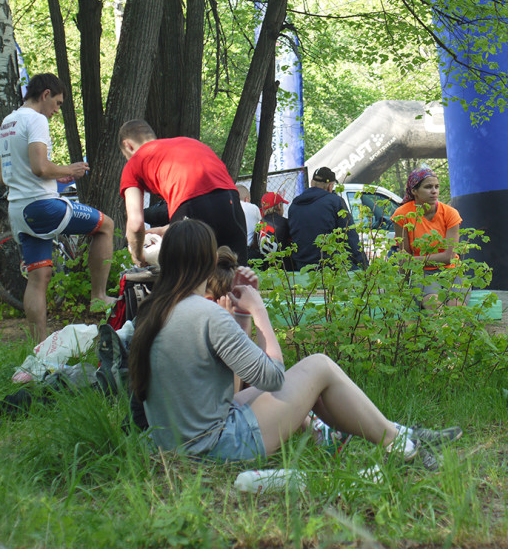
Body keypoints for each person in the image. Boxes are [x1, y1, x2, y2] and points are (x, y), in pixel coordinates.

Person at [127, 219, 461, 463]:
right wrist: (260, 313)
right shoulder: (206, 315)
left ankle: (396, 434)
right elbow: (273, 378)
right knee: (318, 367)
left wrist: (240, 317)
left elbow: (226, 391)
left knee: (306, 380)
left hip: (175, 445)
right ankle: (402, 444)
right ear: (206, 261)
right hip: (216, 448)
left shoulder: (151, 311)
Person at [0, 73, 116, 341]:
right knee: (106, 225)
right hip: (42, 207)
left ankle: (37, 347)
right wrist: (70, 169)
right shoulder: (36, 119)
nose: (57, 111)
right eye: (59, 104)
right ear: (46, 94)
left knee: (39, 278)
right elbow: (40, 167)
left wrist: (56, 175)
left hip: (18, 212)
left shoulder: (7, 123)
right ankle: (98, 297)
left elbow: (5, 176)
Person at [118, 120, 248, 267]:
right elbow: (210, 205)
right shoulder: (189, 143)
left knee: (191, 279)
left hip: (191, 204)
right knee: (238, 277)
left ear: (128, 145)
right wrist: (164, 230)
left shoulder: (135, 161)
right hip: (230, 202)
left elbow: (135, 224)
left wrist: (138, 257)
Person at [392, 167, 468, 310]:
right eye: (428, 187)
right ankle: (439, 330)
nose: (434, 191)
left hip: (451, 270)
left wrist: (413, 260)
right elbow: (404, 254)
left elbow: (449, 256)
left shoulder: (450, 213)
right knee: (433, 304)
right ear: (414, 191)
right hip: (423, 273)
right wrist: (402, 288)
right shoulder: (402, 214)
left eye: (436, 187)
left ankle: (455, 332)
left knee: (455, 307)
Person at [288, 167, 366, 270]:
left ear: (312, 183)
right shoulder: (335, 202)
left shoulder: (294, 205)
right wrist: (363, 263)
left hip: (301, 267)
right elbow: (350, 237)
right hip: (329, 267)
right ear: (330, 186)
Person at [254, 191, 294, 270]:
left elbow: (255, 246)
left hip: (265, 270)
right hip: (284, 269)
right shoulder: (286, 223)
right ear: (279, 206)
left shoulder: (259, 224)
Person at [236, 184, 262, 250]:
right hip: (249, 249)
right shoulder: (254, 208)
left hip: (232, 248)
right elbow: (259, 227)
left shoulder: (229, 207)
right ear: (246, 199)